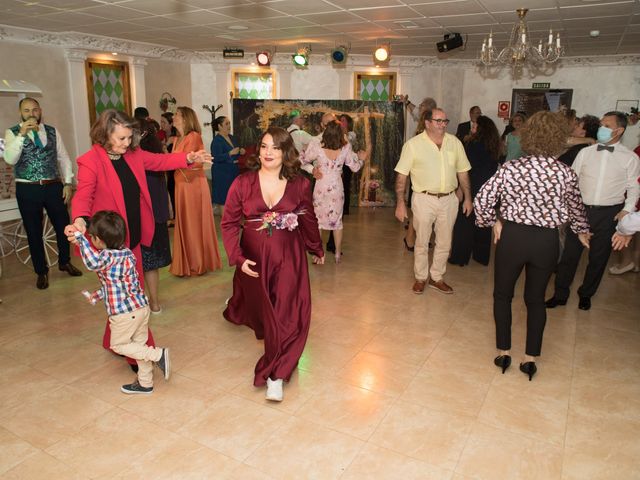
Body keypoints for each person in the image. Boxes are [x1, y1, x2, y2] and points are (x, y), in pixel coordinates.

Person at [69, 108, 211, 370]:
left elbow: (158, 161)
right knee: (132, 296)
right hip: (112, 244)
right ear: (104, 134)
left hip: (132, 235)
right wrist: (79, 219)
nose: (127, 143)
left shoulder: (133, 154)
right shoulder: (90, 161)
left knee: (123, 295)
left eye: (128, 137)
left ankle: (113, 340)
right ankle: (141, 354)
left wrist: (188, 157)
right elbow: (84, 195)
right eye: (121, 138)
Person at [474, 111, 591, 381]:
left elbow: (482, 200)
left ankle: (504, 352)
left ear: (528, 136)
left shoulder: (510, 168)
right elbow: (576, 208)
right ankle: (530, 358)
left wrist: (492, 222)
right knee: (536, 299)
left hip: (513, 237)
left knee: (502, 295)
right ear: (557, 138)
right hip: (546, 241)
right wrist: (582, 231)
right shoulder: (565, 173)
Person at [221, 127, 324, 402]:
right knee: (266, 317)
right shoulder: (242, 183)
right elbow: (229, 223)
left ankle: (276, 373)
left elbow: (308, 218)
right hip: (254, 260)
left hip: (289, 256)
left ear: (285, 152)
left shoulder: (300, 184)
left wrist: (316, 247)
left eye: (275, 148)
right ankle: (274, 356)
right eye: (264, 146)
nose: (268, 152)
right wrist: (238, 258)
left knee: (288, 316)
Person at [69, 210, 170, 395]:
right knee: (140, 346)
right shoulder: (126, 253)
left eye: (92, 237)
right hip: (140, 308)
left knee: (119, 345)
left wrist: (79, 237)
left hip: (124, 314)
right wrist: (97, 295)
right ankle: (145, 383)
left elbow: (92, 263)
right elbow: (115, 283)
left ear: (98, 240)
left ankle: (158, 355)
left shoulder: (106, 257)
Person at [546, 111, 640, 311]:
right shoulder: (585, 152)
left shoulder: (630, 158)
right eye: (600, 124)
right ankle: (560, 294)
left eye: (606, 125)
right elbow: (572, 181)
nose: (601, 128)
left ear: (619, 130)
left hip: (609, 214)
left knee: (598, 258)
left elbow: (634, 187)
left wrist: (627, 210)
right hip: (580, 210)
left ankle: (586, 294)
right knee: (570, 256)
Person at [3, 97, 82, 289]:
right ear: (20, 113)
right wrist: (22, 135)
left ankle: (64, 261)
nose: (31, 114)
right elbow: (10, 159)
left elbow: (63, 158)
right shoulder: (12, 132)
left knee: (64, 225)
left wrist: (68, 182)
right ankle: (41, 271)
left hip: (53, 185)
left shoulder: (53, 131)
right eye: (27, 110)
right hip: (27, 188)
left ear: (40, 111)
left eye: (35, 110)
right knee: (33, 231)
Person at [394, 107, 472, 295]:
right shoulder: (413, 145)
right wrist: (400, 202)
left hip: (449, 199)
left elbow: (463, 172)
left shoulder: (455, 143)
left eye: (445, 121)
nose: (443, 125)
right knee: (421, 240)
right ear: (427, 123)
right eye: (438, 121)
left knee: (445, 241)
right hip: (423, 198)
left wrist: (468, 198)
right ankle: (420, 277)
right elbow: (401, 176)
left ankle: (437, 277)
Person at [301, 120, 365, 263]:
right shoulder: (346, 147)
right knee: (337, 222)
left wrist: (312, 169)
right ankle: (337, 254)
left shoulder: (317, 146)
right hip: (337, 187)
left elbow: (302, 160)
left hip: (321, 186)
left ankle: (318, 253)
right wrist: (361, 159)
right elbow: (355, 167)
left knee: (317, 221)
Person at [169, 106, 222, 277]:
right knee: (184, 221)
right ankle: (186, 262)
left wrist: (172, 161)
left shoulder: (193, 136)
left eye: (177, 114)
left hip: (192, 184)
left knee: (193, 222)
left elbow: (191, 162)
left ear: (185, 118)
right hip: (181, 185)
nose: (173, 117)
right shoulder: (177, 139)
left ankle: (197, 262)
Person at [449, 115, 500, 266]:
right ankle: (481, 256)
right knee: (483, 222)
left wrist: (462, 190)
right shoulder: (494, 145)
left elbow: (466, 170)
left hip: (473, 186)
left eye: (475, 125)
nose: (472, 127)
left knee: (465, 222)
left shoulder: (474, 144)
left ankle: (459, 257)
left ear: (481, 128)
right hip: (488, 188)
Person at [137, 118, 172, 313]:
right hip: (156, 217)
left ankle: (140, 303)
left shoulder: (137, 157)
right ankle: (154, 303)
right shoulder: (157, 155)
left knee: (138, 264)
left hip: (140, 219)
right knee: (151, 265)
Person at [211, 115, 244, 212]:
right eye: (226, 123)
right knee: (223, 199)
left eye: (229, 123)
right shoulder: (216, 141)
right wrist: (229, 153)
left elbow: (236, 151)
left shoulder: (232, 137)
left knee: (234, 198)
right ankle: (225, 225)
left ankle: (233, 222)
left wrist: (240, 151)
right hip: (222, 173)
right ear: (220, 126)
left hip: (233, 171)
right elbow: (215, 158)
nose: (229, 125)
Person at [159, 112, 177, 225]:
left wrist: (165, 145)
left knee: (174, 192)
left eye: (164, 122)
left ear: (171, 124)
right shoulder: (162, 136)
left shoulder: (174, 138)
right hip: (166, 171)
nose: (162, 124)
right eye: (161, 122)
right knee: (170, 192)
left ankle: (176, 218)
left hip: (174, 170)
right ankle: (173, 216)